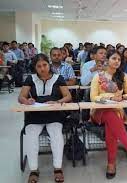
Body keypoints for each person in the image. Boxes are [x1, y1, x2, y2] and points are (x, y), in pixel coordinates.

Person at [18, 53, 72, 183]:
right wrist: (27, 101)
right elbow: (21, 97)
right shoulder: (30, 79)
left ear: (49, 65)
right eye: (39, 66)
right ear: (35, 68)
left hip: (54, 114)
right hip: (35, 115)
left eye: (45, 65)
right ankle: (34, 169)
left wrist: (58, 102)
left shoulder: (59, 78)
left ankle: (57, 168)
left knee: (56, 134)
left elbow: (68, 96)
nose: (42, 68)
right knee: (31, 136)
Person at [90, 50, 127, 179]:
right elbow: (93, 97)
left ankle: (111, 164)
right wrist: (111, 97)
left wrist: (122, 97)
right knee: (110, 115)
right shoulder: (98, 76)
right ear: (108, 60)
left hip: (117, 110)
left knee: (111, 124)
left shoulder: (123, 76)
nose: (117, 61)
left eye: (119, 59)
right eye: (114, 58)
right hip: (99, 112)